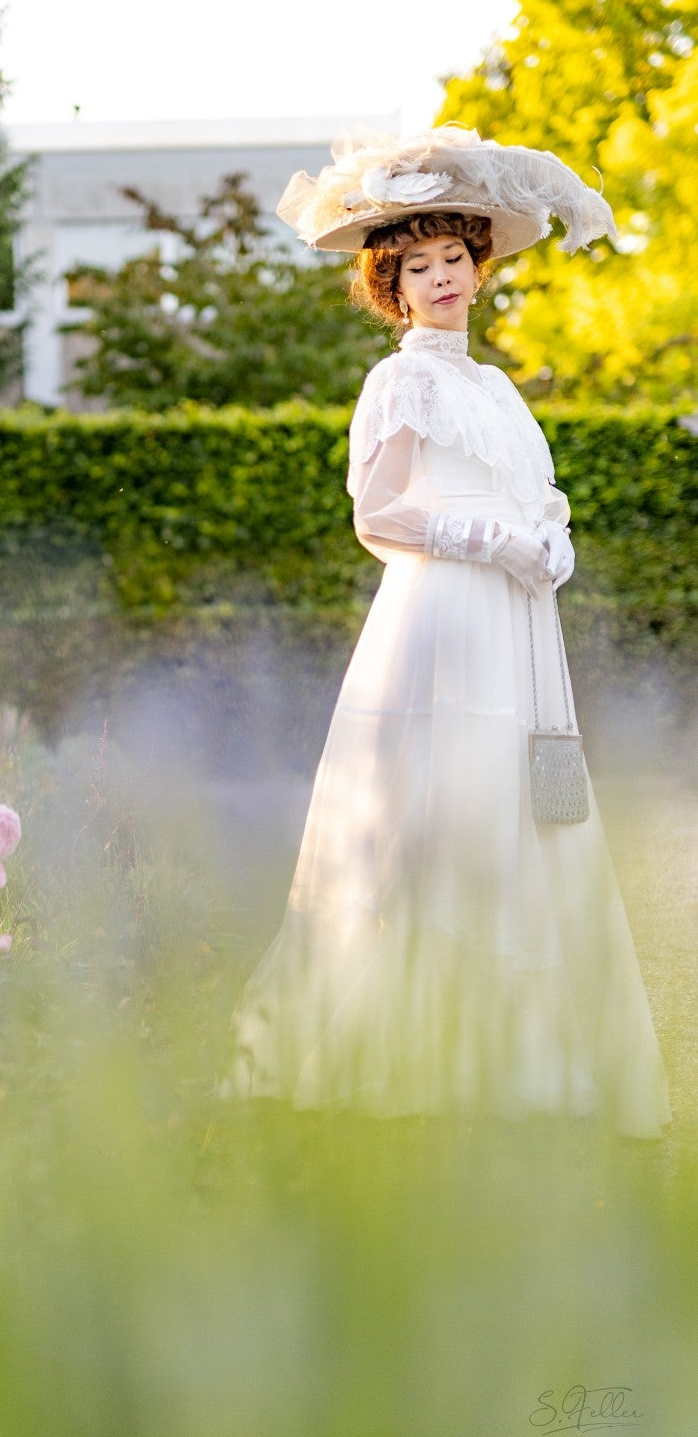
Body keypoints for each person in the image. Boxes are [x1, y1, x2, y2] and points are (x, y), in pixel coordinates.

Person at [227, 126, 671, 1138]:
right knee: (436, 819)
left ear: (478, 268)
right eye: (416, 265)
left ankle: (519, 1048)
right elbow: (377, 514)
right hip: (442, 622)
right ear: (390, 286)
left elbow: (535, 491)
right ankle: (411, 1045)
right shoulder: (402, 382)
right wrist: (481, 537)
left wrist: (546, 539)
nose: (440, 278)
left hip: (515, 621)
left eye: (453, 259)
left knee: (518, 812)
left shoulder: (495, 388)